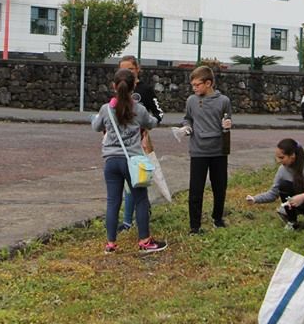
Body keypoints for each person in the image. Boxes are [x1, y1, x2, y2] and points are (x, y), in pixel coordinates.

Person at [90, 68, 166, 254]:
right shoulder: (138, 109)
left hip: (111, 161)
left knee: (113, 201)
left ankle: (110, 244)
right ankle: (145, 241)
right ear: (134, 88)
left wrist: (93, 118)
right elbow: (151, 123)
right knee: (140, 199)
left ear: (114, 86)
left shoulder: (106, 109)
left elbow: (96, 126)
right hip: (133, 161)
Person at [179, 65, 232, 234]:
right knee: (196, 189)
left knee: (219, 186)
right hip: (198, 150)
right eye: (192, 85)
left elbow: (227, 120)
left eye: (197, 85)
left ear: (208, 83)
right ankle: (194, 226)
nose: (194, 88)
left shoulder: (223, 101)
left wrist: (228, 124)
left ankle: (217, 218)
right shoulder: (191, 101)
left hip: (218, 150)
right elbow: (187, 119)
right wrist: (186, 128)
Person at [117, 55, 165, 233]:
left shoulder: (145, 90)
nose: (127, 72)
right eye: (123, 69)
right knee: (125, 184)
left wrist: (146, 128)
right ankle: (128, 219)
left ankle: (132, 219)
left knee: (137, 181)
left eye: (130, 68)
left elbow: (159, 114)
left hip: (140, 143)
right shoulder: (118, 90)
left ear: (138, 69)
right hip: (121, 144)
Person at [245, 138, 304, 230]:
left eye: (281, 157)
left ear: (292, 155)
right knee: (284, 185)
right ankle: (292, 222)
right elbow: (273, 193)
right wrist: (255, 199)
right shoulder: (282, 170)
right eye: (277, 157)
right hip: (300, 202)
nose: (278, 161)